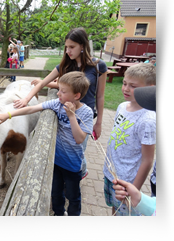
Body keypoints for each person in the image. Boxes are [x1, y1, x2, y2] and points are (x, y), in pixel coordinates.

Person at [0, 72, 93, 216]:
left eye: (63, 91)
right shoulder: (57, 104)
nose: (58, 94)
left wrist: (71, 116)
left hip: (73, 165)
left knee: (73, 195)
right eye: (58, 90)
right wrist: (7, 115)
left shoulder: (87, 113)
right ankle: (58, 212)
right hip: (56, 162)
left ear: (76, 95)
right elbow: (32, 108)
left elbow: (79, 139)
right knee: (56, 192)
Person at [13, 27, 107, 178]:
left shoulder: (98, 66)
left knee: (79, 147)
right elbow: (42, 83)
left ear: (82, 46)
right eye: (66, 47)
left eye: (72, 47)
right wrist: (26, 99)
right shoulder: (65, 65)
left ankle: (79, 173)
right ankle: (66, 176)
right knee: (65, 148)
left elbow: (100, 96)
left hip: (84, 115)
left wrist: (99, 122)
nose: (68, 51)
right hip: (65, 113)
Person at [103, 63, 156, 216]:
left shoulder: (148, 120)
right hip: (111, 173)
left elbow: (147, 160)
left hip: (127, 181)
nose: (126, 89)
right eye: (125, 83)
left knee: (126, 211)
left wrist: (135, 190)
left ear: (150, 88)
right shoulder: (122, 106)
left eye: (133, 86)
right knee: (115, 207)